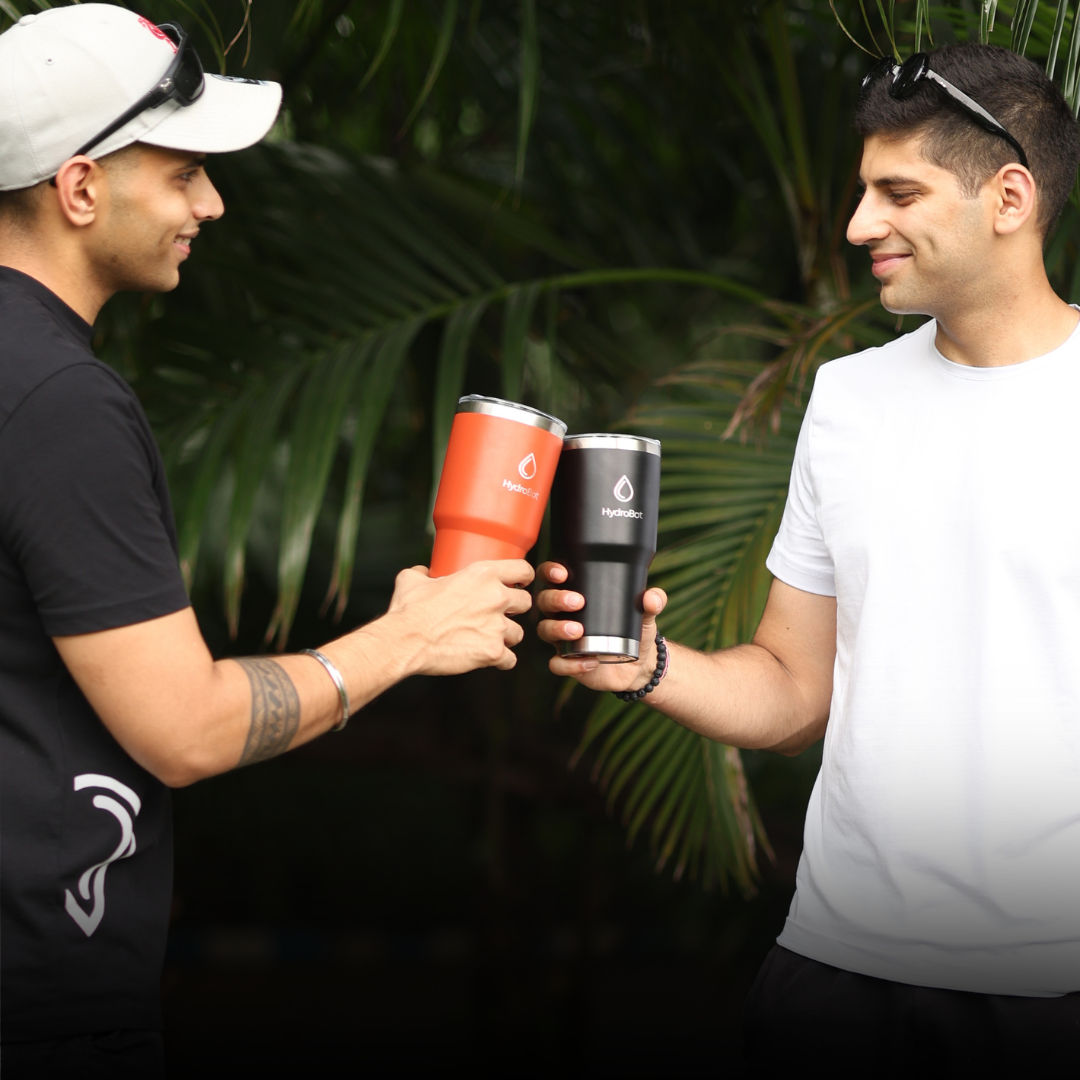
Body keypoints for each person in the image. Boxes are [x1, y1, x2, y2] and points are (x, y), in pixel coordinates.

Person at [0, 6, 532, 1075]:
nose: (212, 201)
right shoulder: (57, 400)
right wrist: (407, 637)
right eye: (184, 171)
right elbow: (183, 731)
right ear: (81, 187)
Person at [539, 42, 1080, 1068]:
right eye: (860, 190)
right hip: (833, 975)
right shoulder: (848, 402)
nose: (857, 226)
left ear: (1009, 196)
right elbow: (792, 691)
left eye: (897, 192)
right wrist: (645, 666)